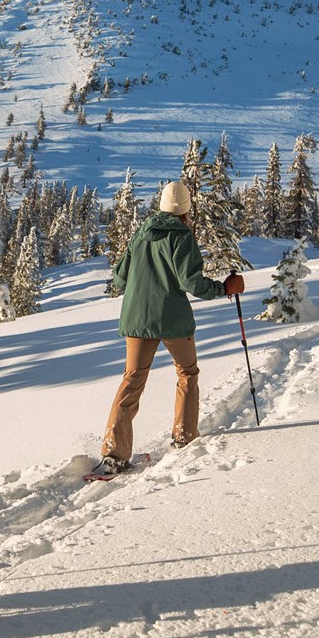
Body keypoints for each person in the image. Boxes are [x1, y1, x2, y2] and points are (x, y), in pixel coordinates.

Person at [96, 180, 243, 476]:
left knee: (132, 379)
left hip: (137, 319)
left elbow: (120, 278)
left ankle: (114, 453)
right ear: (186, 210)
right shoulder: (182, 237)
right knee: (187, 373)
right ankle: (184, 437)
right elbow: (191, 283)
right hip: (173, 319)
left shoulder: (140, 235)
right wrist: (224, 289)